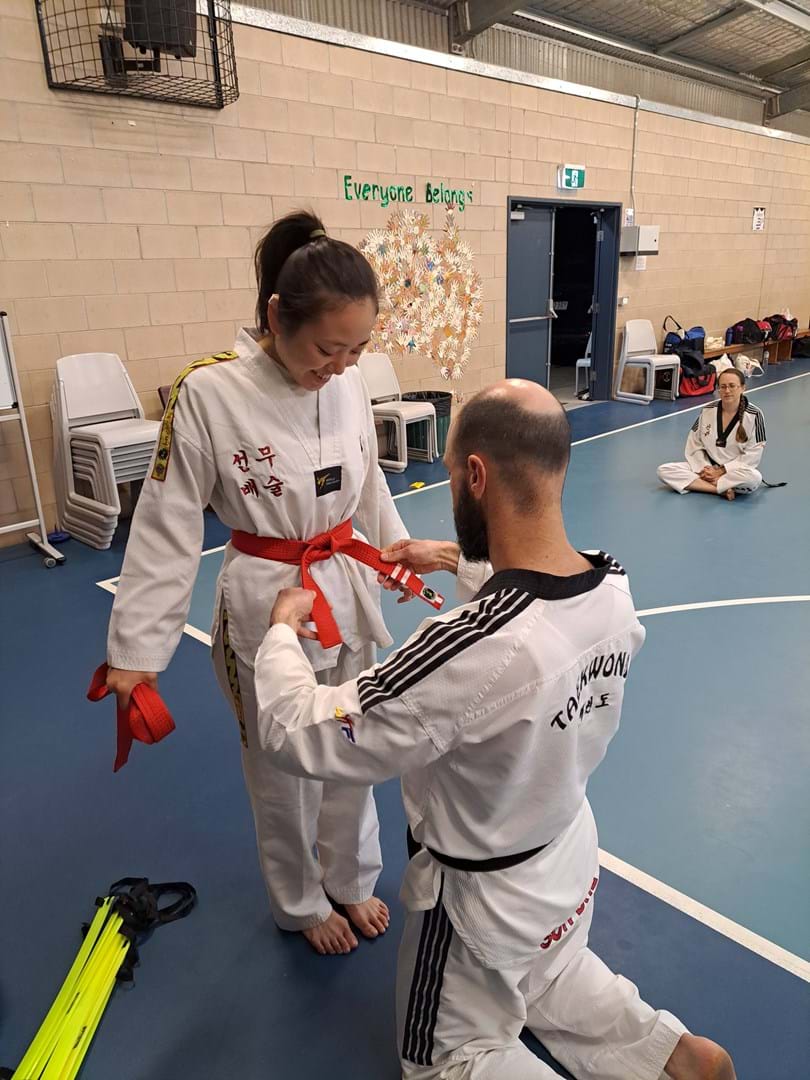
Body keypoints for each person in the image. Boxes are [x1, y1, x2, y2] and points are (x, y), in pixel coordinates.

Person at [253, 380, 736, 1079]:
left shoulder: (465, 649)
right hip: (563, 859)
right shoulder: (610, 585)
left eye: (453, 475)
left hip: (479, 898)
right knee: (548, 971)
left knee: (448, 1058)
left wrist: (278, 638)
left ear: (474, 475)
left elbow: (302, 730)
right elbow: (526, 613)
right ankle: (666, 1052)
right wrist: (450, 558)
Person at [105, 210, 410, 956]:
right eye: (325, 349)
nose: (339, 366)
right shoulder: (209, 392)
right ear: (276, 316)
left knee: (352, 745)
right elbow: (167, 522)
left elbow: (364, 480)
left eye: (357, 349)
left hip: (344, 589)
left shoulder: (345, 379)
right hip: (266, 602)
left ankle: (351, 876)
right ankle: (301, 903)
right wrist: (137, 650)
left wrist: (397, 547)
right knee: (283, 770)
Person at [657, 369, 766, 500]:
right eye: (723, 386)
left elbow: (752, 455)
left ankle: (706, 484)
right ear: (718, 389)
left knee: (754, 478)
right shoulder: (708, 410)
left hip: (732, 471)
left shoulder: (755, 415)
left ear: (743, 388)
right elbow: (695, 443)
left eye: (732, 386)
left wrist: (722, 471)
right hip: (707, 468)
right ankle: (717, 489)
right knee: (664, 470)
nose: (727, 391)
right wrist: (705, 469)